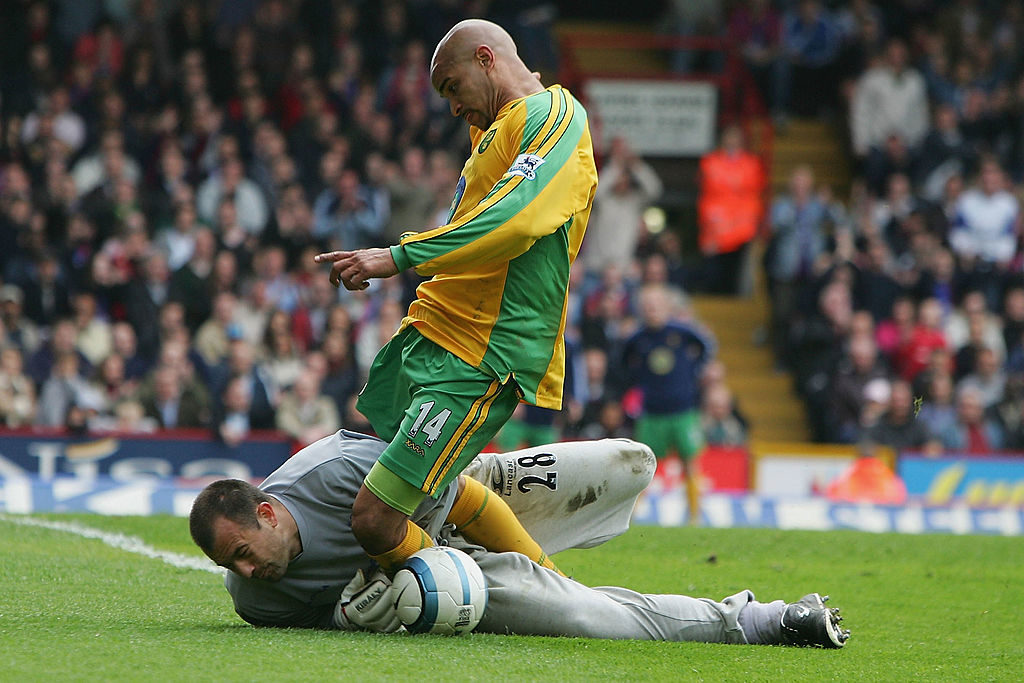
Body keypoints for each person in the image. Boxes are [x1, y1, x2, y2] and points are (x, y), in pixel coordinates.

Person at [313, 20, 598, 577]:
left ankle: (513, 593)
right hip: (433, 332)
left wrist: (398, 256)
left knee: (375, 518)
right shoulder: (494, 130)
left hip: (480, 353)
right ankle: (493, 581)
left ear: (487, 59)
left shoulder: (555, 117)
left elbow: (517, 220)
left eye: (452, 87)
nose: (451, 108)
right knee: (418, 494)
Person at [189, 430, 849, 648]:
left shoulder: (340, 473)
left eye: (243, 550)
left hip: (458, 490)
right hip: (436, 576)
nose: (245, 570)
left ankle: (544, 549)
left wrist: (541, 564)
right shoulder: (254, 600)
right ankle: (761, 620)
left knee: (630, 463)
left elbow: (469, 502)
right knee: (591, 618)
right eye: (230, 563)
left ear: (270, 513)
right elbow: (325, 615)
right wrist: (351, 615)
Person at [623, 284, 715, 524]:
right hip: (652, 413)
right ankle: (630, 517)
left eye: (656, 304)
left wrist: (693, 372)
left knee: (690, 462)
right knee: (644, 466)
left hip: (683, 411)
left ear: (666, 306)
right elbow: (622, 363)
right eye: (647, 305)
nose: (652, 309)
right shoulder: (637, 338)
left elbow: (706, 348)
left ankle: (694, 516)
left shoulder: (683, 333)